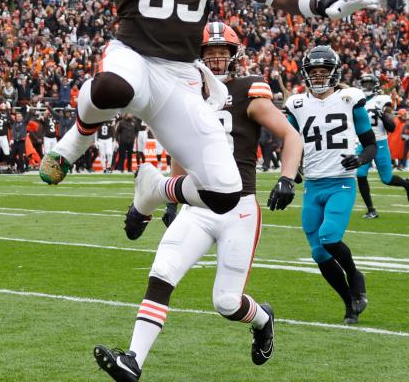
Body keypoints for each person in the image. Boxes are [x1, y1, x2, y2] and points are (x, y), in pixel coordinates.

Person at [39, 0, 376, 228]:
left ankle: (154, 190)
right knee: (112, 86)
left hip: (181, 75)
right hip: (133, 54)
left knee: (225, 192)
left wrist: (321, 4)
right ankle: (75, 143)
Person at [95, 23, 302, 381]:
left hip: (238, 208)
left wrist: (286, 177)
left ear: (234, 55)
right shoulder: (187, 90)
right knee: (162, 274)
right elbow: (181, 150)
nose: (217, 57)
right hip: (197, 205)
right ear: (198, 55)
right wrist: (172, 204)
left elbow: (290, 136)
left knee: (226, 302)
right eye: (210, 51)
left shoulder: (246, 92)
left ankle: (263, 319)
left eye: (223, 50)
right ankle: (133, 360)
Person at [283, 46, 376, 323]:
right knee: (318, 252)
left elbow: (370, 144)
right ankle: (349, 303)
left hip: (341, 183)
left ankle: (356, 277)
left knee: (329, 236)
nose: (320, 76)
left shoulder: (350, 99)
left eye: (324, 71)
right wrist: (291, 174)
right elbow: (288, 141)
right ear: (306, 74)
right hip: (312, 186)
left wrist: (359, 159)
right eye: (315, 72)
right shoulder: (296, 105)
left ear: (335, 73)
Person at [352, 74, 409, 219]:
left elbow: (392, 127)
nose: (367, 87)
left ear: (375, 86)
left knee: (386, 179)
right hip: (363, 143)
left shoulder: (382, 100)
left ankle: (406, 184)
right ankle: (371, 209)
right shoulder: (357, 101)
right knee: (360, 174)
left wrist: (382, 115)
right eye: (365, 84)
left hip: (380, 142)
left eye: (369, 84)